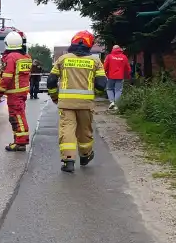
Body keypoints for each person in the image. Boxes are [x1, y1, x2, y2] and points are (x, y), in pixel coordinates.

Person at [48, 30, 108, 174]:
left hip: (66, 104)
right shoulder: (95, 61)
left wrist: (55, 97)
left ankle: (68, 160)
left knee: (67, 130)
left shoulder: (63, 59)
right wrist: (94, 94)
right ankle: (85, 155)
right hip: (85, 104)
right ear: (89, 45)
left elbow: (51, 81)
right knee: (84, 131)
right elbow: (101, 84)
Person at [0, 30, 33, 151]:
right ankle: (18, 141)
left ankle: (21, 143)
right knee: (18, 116)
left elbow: (7, 77)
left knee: (17, 117)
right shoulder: (26, 57)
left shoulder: (11, 57)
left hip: (14, 93)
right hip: (22, 92)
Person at [103, 44, 132, 110]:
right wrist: (127, 75)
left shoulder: (109, 56)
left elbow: (105, 66)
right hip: (120, 76)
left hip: (110, 76)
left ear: (113, 49)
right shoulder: (124, 57)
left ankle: (112, 102)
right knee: (118, 90)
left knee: (109, 89)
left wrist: (104, 74)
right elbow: (128, 68)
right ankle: (116, 105)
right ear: (119, 49)